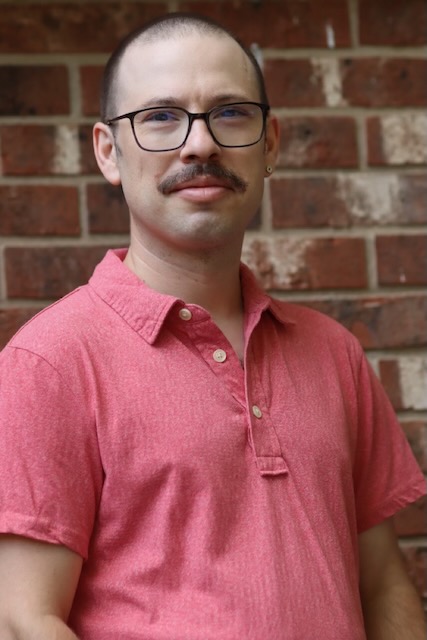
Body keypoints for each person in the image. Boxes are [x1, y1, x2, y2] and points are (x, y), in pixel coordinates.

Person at [0, 12, 425, 640]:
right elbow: (22, 618)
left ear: (270, 144)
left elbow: (383, 582)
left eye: (229, 113)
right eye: (161, 117)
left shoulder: (334, 353)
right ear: (108, 152)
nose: (199, 144)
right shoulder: (51, 361)